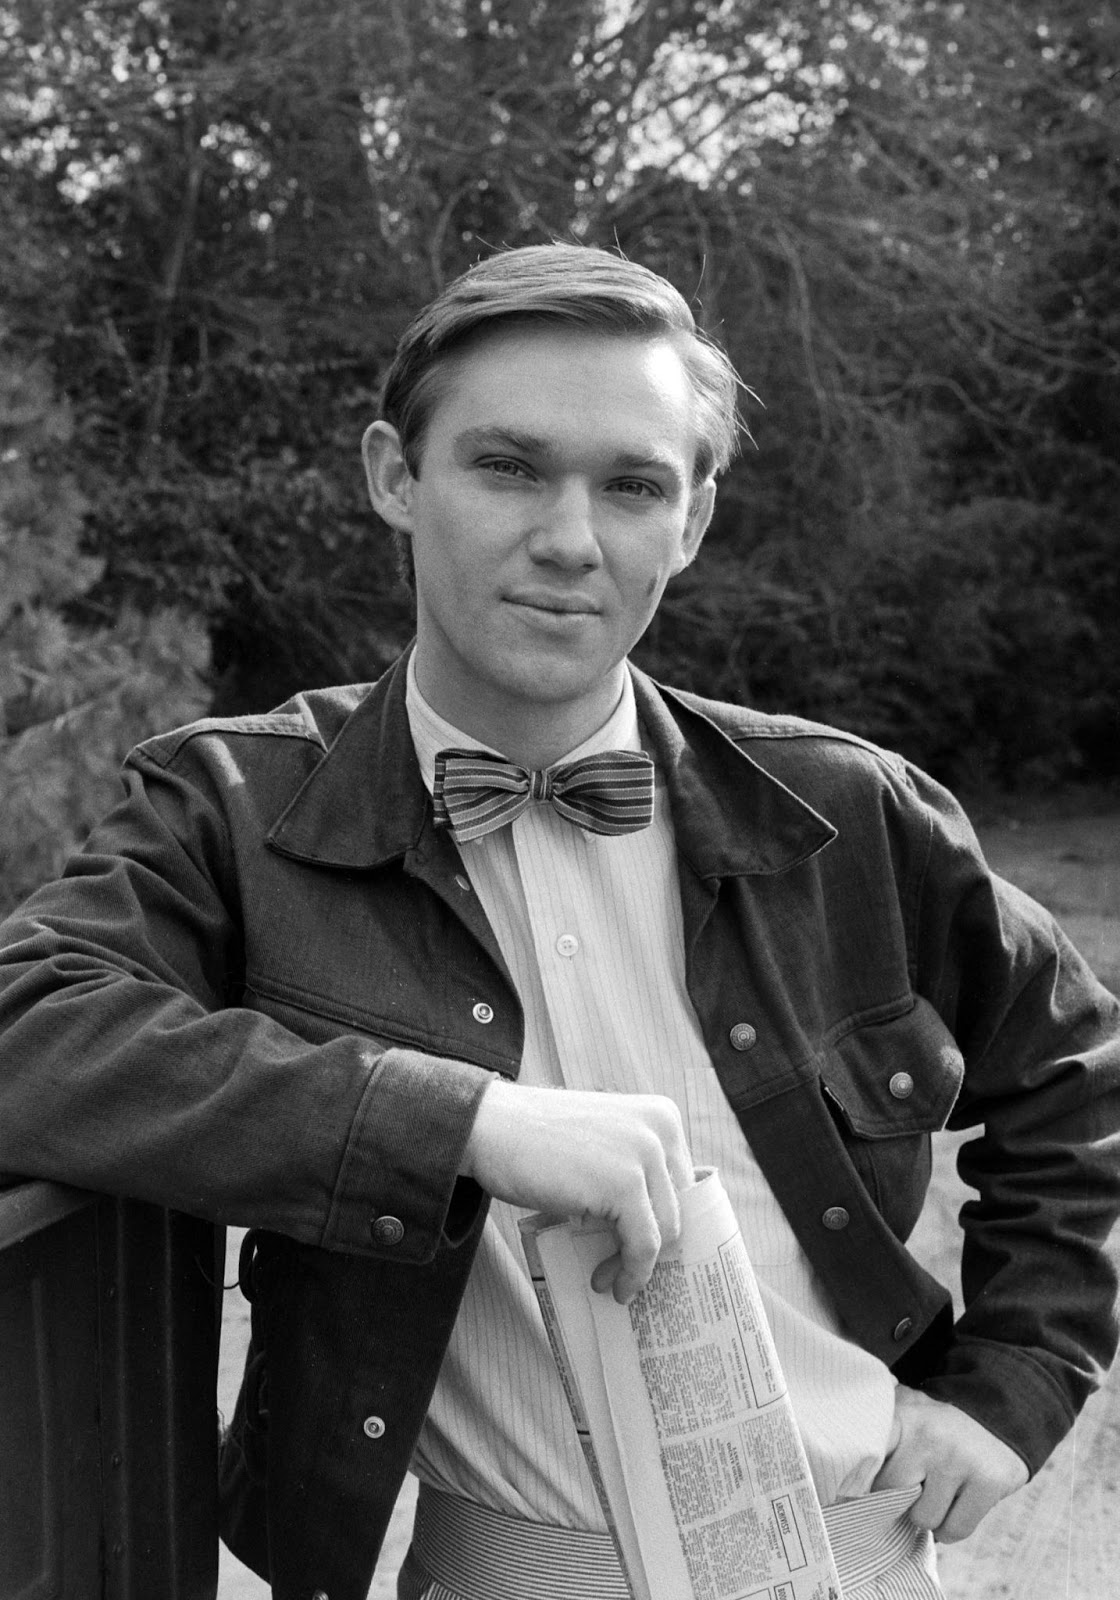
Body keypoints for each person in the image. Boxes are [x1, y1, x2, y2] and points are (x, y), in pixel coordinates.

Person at [0, 243, 1118, 1600]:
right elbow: (28, 1024)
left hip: (867, 1565)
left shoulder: (844, 810)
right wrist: (458, 1121)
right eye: (510, 467)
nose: (571, 539)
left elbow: (1074, 1081)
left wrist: (1015, 1386)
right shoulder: (236, 806)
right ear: (394, 478)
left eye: (633, 485)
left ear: (692, 523)